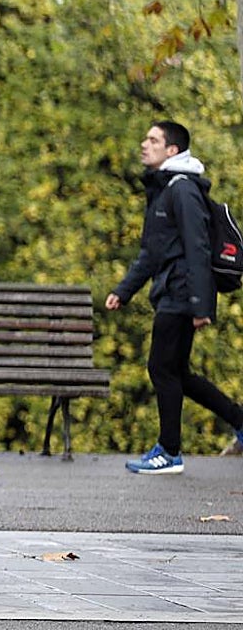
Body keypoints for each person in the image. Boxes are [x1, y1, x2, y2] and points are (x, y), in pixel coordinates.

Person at [106, 120, 243, 475]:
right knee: (178, 372)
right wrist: (123, 291)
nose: (143, 144)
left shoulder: (182, 190)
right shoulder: (165, 189)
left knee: (161, 368)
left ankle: (169, 451)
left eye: (152, 139)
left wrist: (201, 305)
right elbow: (152, 253)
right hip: (174, 288)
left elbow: (198, 246)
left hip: (182, 292)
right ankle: (240, 421)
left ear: (172, 150)